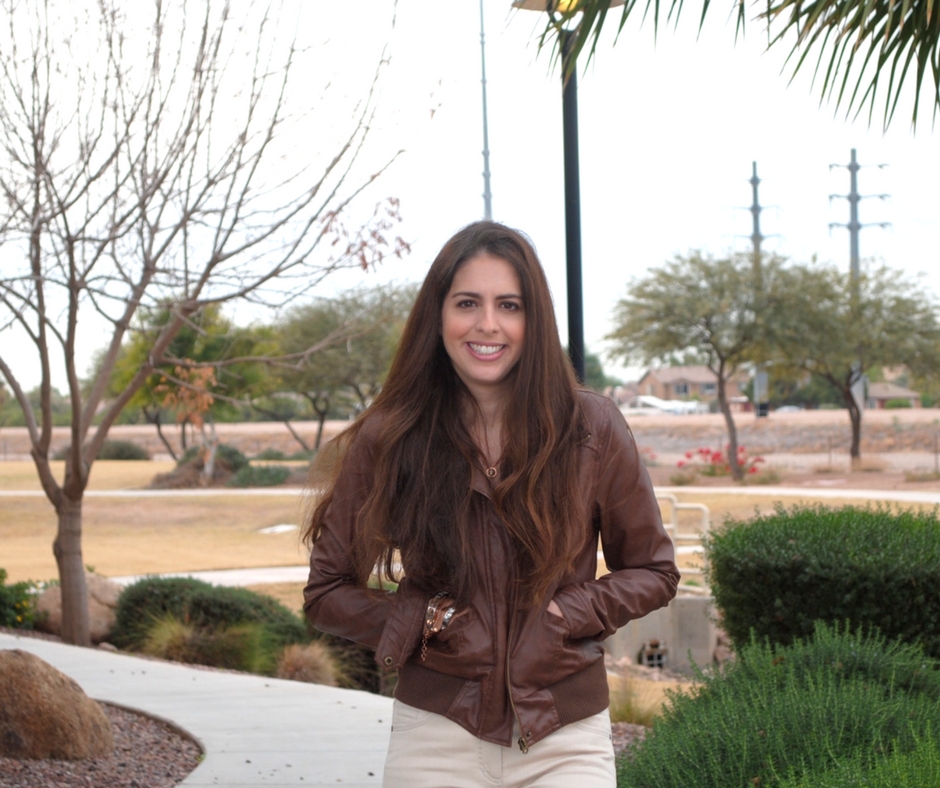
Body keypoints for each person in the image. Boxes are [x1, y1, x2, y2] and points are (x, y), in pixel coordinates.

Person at [302, 220, 679, 788]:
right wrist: (423, 620)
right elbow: (326, 591)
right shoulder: (393, 436)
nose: (488, 324)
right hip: (434, 735)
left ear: (534, 319)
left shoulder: (592, 427)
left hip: (565, 736)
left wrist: (565, 614)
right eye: (467, 303)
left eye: (509, 305)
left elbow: (654, 570)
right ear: (439, 316)